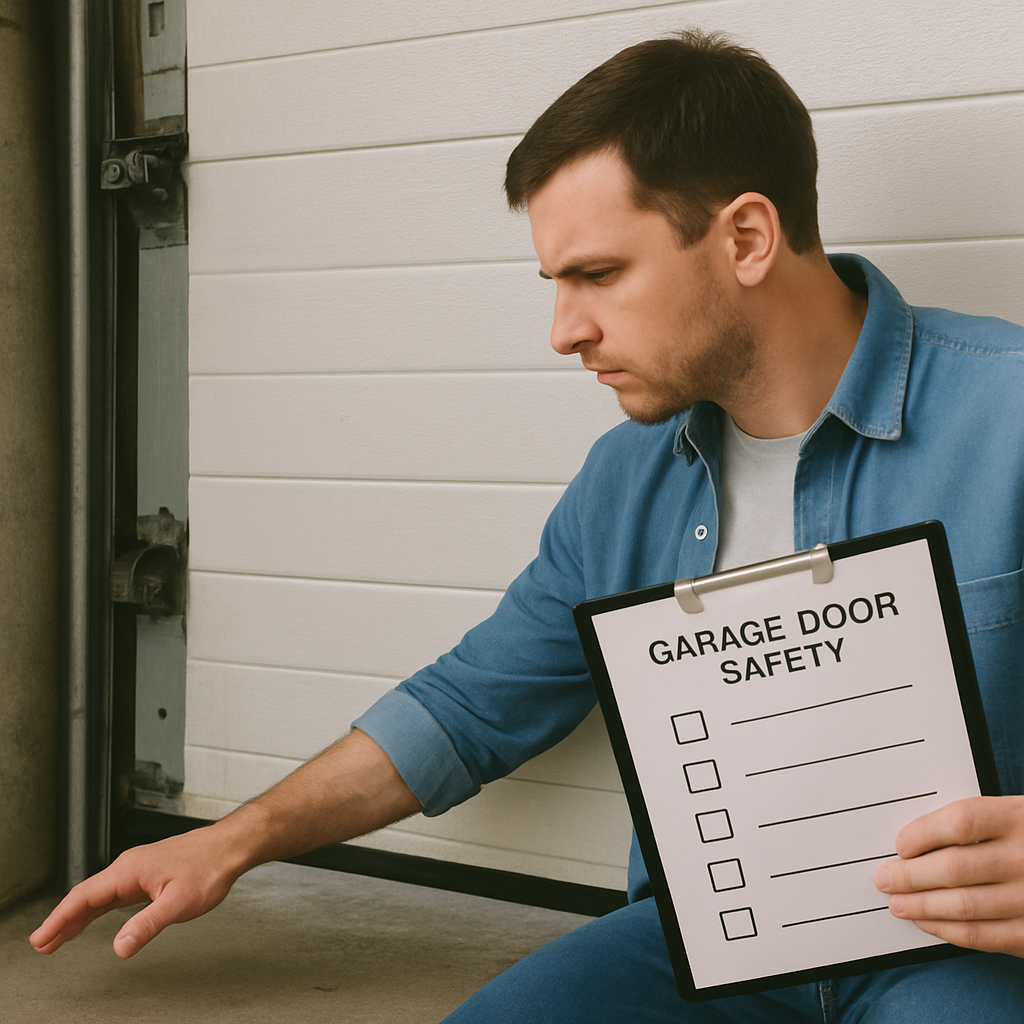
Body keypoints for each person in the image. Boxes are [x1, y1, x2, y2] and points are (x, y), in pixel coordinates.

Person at [32, 30, 1024, 1022]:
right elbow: (470, 705)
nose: (563, 330)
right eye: (555, 282)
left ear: (747, 238)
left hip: (950, 954)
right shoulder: (625, 479)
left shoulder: (1009, 413)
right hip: (698, 951)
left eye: (596, 274)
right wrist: (230, 838)